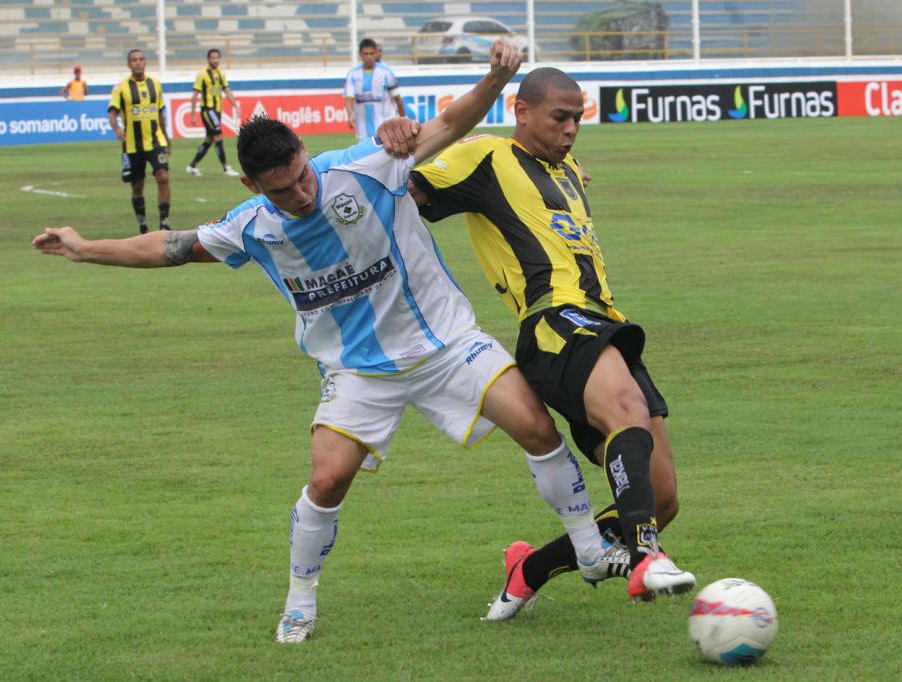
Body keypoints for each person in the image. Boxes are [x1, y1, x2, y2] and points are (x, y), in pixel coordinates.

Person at [33, 44, 619, 646]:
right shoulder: (250, 226)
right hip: (359, 370)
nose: (302, 196)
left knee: (536, 428)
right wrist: (82, 247)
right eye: (282, 191)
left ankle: (589, 548)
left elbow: (450, 123)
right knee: (328, 480)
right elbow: (169, 247)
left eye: (303, 177)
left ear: (307, 156)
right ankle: (300, 601)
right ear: (253, 184)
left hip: (445, 342)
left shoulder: (367, 166)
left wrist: (497, 76)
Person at [407, 66, 697, 619]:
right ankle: (645, 556)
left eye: (577, 120)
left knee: (660, 498)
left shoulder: (563, 170)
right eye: (558, 117)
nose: (570, 130)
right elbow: (402, 195)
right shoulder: (484, 156)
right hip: (552, 323)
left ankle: (530, 569)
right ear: (521, 111)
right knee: (628, 412)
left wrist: (568, 165)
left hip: (602, 321)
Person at [108, 49, 171, 233]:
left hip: (155, 141)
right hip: (132, 145)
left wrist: (167, 139)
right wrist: (117, 128)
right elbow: (113, 112)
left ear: (145, 62)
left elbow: (160, 114)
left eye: (141, 59)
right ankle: (143, 224)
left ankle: (164, 222)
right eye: (134, 60)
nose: (138, 62)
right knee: (137, 186)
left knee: (163, 177)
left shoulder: (155, 84)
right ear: (129, 64)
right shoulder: (121, 87)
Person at [186, 48, 241, 178]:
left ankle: (192, 166)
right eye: (212, 58)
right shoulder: (203, 74)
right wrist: (193, 114)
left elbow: (227, 90)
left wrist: (235, 105)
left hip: (216, 110)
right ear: (208, 59)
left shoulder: (220, 74)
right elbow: (195, 95)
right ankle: (226, 168)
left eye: (217, 58)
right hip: (207, 110)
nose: (215, 60)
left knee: (210, 139)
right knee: (219, 137)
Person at [344, 38, 405, 141]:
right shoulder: (352, 74)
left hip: (386, 128)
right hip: (362, 130)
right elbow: (349, 97)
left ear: (376, 53)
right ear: (360, 54)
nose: (369, 57)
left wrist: (403, 119)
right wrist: (350, 115)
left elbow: (397, 98)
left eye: (372, 53)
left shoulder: (386, 72)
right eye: (365, 54)